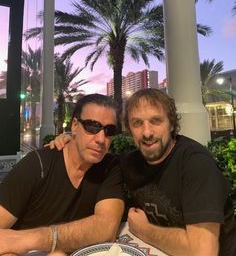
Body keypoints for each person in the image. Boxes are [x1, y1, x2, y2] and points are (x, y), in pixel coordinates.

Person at [47, 88, 236, 256]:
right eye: (137, 123)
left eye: (156, 121)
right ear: (129, 129)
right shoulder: (129, 162)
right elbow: (93, 159)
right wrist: (70, 141)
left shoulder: (196, 164)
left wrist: (145, 230)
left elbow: (202, 251)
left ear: (171, 124)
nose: (147, 132)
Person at [0, 94, 125, 254]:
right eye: (92, 126)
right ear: (74, 125)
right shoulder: (38, 164)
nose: (101, 139)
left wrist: (31, 239)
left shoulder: (109, 166)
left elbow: (106, 228)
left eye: (109, 130)